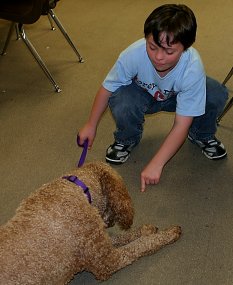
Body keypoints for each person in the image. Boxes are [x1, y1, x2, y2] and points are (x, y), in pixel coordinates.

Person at [78, 4, 228, 192]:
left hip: (176, 97)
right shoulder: (133, 54)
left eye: (169, 51)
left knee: (216, 93)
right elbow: (107, 88)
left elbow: (181, 124)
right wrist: (91, 125)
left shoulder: (192, 67)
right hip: (141, 95)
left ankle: (202, 134)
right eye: (152, 47)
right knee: (121, 99)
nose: (158, 57)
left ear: (185, 48)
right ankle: (126, 139)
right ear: (146, 39)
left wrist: (157, 164)